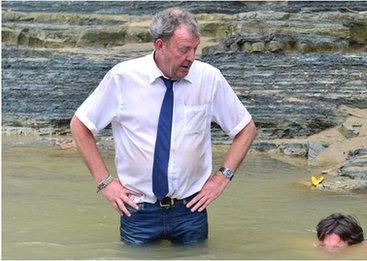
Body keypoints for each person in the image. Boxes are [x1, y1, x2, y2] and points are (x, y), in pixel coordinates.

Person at [70, 7, 256, 246]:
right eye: (184, 50)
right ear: (160, 45)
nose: (191, 57)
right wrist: (105, 182)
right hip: (137, 209)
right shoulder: (123, 77)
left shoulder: (209, 78)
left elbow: (245, 129)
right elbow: (80, 125)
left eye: (195, 49)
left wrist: (222, 178)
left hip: (191, 209)